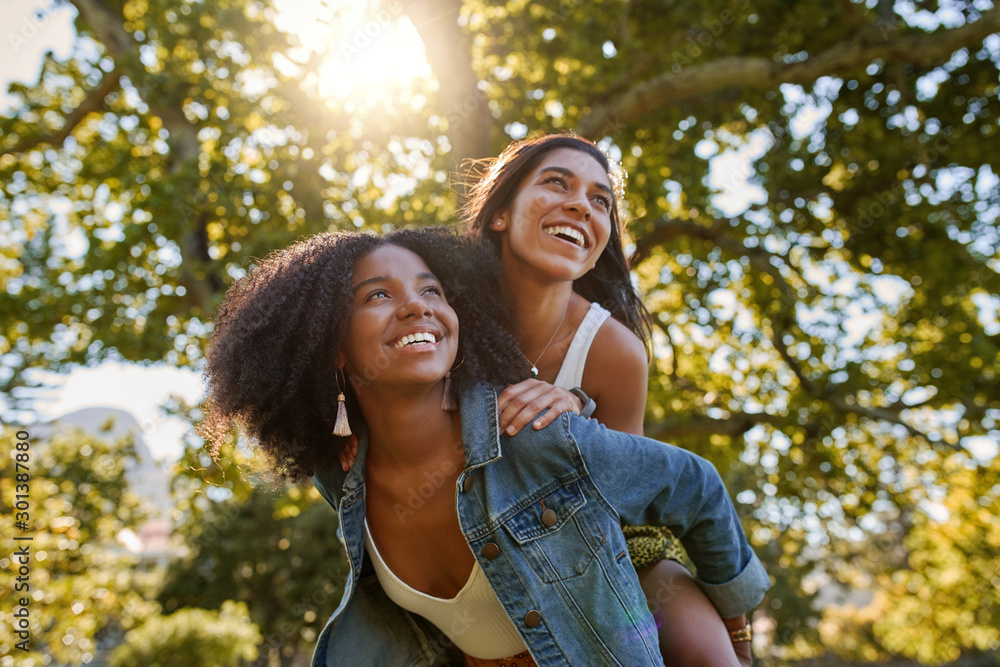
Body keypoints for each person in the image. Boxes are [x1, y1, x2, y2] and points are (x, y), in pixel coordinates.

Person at [202, 228, 770, 666]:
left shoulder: (534, 435)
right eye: (377, 295)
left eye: (433, 291)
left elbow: (697, 487)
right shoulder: (343, 474)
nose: (418, 306)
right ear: (333, 350)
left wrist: (736, 632)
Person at [463, 133, 753, 663]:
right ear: (501, 213)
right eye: (557, 183)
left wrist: (579, 416)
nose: (581, 204)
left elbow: (627, 494)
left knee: (709, 654)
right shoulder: (444, 314)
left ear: (600, 244)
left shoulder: (615, 351)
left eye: (601, 201)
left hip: (604, 549)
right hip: (476, 554)